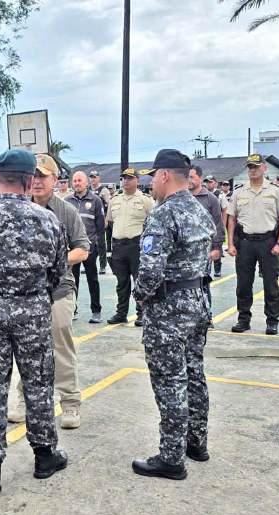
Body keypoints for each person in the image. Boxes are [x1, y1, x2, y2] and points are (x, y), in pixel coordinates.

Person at [0, 148, 68, 494]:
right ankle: (44, 456)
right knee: (38, 383)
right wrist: (33, 293)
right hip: (32, 309)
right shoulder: (47, 220)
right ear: (30, 180)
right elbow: (57, 273)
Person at [132, 149, 215, 481]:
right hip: (197, 301)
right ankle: (196, 442)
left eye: (153, 176)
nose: (151, 183)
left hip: (168, 308)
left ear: (164, 175)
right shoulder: (199, 209)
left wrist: (140, 298)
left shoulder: (163, 215)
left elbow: (150, 272)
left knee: (170, 381)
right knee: (194, 374)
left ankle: (171, 457)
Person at [8, 153, 90, 429]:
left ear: (55, 179)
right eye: (34, 176)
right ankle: (24, 399)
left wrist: (54, 260)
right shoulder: (18, 208)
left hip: (58, 290)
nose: (37, 181)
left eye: (43, 176)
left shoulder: (65, 211)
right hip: (26, 293)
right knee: (27, 349)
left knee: (61, 346)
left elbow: (83, 249)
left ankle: (70, 402)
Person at [227, 154, 279, 335]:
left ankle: (272, 321)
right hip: (245, 243)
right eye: (250, 167)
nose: (252, 170)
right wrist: (230, 244)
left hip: (268, 243)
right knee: (243, 284)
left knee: (271, 284)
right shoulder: (239, 192)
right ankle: (243, 319)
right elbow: (231, 219)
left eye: (256, 166)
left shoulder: (275, 191)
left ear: (264, 168)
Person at [106, 167, 154, 326]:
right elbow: (110, 222)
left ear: (137, 180)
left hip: (136, 245)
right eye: (124, 178)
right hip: (119, 245)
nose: (126, 181)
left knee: (139, 281)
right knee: (121, 283)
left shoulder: (145, 200)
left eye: (130, 178)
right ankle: (121, 313)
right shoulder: (115, 200)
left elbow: (153, 222)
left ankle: (141, 313)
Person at [66, 171, 105, 323]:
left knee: (92, 280)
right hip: (72, 248)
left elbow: (100, 227)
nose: (77, 183)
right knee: (71, 281)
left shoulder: (96, 201)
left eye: (79, 180)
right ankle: (72, 310)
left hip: (89, 248)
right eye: (75, 181)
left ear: (86, 183)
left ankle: (96, 311)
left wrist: (97, 246)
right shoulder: (67, 201)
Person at [188, 167, 225, 324]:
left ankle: (206, 316)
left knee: (202, 283)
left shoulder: (210, 199)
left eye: (192, 177)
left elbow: (218, 224)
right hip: (184, 251)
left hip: (204, 250)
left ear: (200, 178)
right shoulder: (181, 197)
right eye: (186, 177)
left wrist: (217, 247)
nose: (189, 180)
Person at [89, 170, 111, 274]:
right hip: (90, 220)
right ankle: (89, 264)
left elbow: (109, 205)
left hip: (100, 219)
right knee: (89, 243)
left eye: (95, 177)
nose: (93, 179)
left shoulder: (104, 190)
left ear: (98, 178)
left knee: (101, 244)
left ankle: (102, 266)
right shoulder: (88, 190)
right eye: (91, 177)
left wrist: (106, 219)